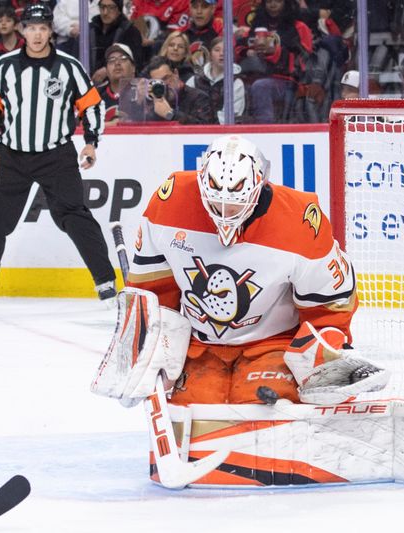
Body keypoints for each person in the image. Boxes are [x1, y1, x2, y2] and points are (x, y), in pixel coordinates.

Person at [126, 134, 361, 405]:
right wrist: (147, 349)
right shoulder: (169, 204)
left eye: (237, 202)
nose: (225, 213)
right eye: (216, 203)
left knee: (259, 409)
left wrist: (324, 356)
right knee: (196, 409)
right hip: (201, 348)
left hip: (274, 345)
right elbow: (152, 290)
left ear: (259, 185)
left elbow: (330, 302)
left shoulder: (300, 219)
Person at [0, 3, 116, 309]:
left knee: (74, 215)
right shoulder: (5, 65)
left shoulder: (69, 67)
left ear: (50, 30)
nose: (37, 34)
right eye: (31, 27)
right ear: (22, 30)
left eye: (43, 28)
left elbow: (92, 104)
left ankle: (106, 281)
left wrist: (92, 142)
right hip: (12, 156)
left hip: (56, 155)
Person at [120, 55, 214, 124]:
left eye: (166, 78)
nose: (164, 84)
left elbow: (206, 129)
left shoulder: (199, 97)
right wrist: (138, 103)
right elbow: (136, 129)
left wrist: (171, 114)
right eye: (158, 82)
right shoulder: (153, 101)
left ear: (176, 74)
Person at [187, 36, 246, 123]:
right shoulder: (194, 80)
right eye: (217, 50)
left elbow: (232, 116)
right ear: (210, 54)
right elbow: (185, 107)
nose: (221, 54)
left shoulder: (236, 83)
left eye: (225, 50)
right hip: (194, 129)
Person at [90, 0, 144, 83]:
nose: (105, 12)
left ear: (119, 10)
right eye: (102, 7)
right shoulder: (89, 30)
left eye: (111, 8)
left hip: (118, 84)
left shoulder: (130, 31)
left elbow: (136, 64)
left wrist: (107, 69)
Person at [97, 43, 137, 124]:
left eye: (123, 58)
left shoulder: (143, 92)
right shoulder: (96, 94)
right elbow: (81, 125)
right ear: (107, 71)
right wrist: (110, 126)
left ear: (133, 68)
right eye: (111, 60)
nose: (117, 63)